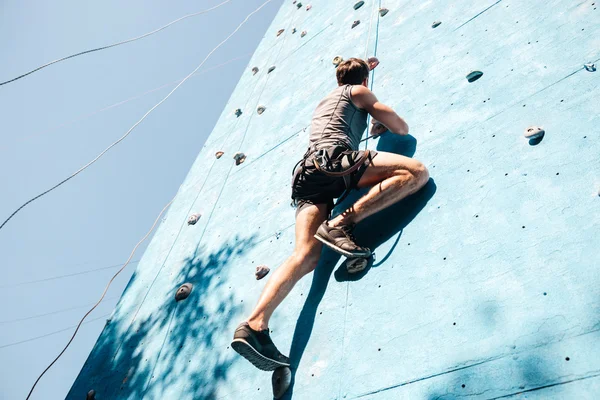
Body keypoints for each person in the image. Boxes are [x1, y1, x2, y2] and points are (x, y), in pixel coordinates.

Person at [231, 58, 429, 370]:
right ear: (363, 79)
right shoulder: (358, 91)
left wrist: (367, 122)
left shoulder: (328, 101)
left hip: (307, 175)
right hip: (334, 160)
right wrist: (378, 118)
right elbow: (401, 128)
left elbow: (340, 123)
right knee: (416, 173)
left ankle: (254, 325)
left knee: (305, 257)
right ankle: (340, 224)